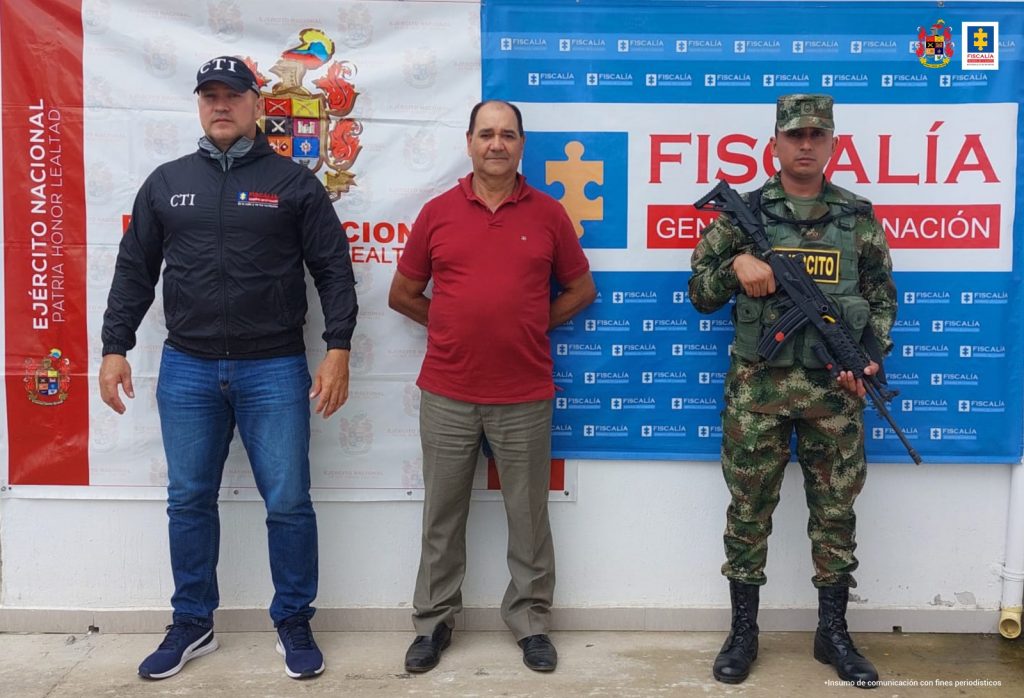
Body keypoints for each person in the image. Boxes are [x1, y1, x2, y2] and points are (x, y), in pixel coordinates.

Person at [99, 55, 358, 681]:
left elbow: (333, 270)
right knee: (188, 499)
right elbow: (135, 270)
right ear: (198, 104)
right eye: (209, 95)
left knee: (289, 501)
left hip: (273, 369)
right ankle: (193, 621)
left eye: (233, 95)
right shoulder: (166, 183)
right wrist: (114, 346)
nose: (221, 105)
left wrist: (339, 347)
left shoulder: (296, 183)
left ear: (256, 105)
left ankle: (293, 619)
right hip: (187, 369)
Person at [689, 94, 896, 688]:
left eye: (817, 135)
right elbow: (699, 291)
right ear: (773, 145)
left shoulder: (857, 216)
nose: (805, 144)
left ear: (832, 144)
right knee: (748, 514)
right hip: (758, 395)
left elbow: (882, 296)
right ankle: (744, 633)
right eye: (794, 135)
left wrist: (869, 358)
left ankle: (833, 634)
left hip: (836, 396)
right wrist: (736, 269)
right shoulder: (743, 214)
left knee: (835, 515)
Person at [389, 100, 596, 674]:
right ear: (470, 142)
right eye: (487, 134)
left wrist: (530, 322)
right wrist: (454, 325)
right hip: (448, 393)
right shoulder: (437, 213)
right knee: (442, 515)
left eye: (507, 135)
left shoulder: (549, 214)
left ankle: (530, 623)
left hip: (524, 394)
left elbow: (582, 290)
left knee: (528, 516)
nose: (496, 144)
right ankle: (433, 624)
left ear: (521, 144)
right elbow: (401, 294)